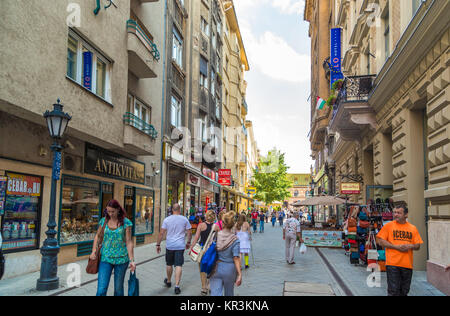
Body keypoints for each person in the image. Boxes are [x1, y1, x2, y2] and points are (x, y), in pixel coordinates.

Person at [376, 203, 423, 296]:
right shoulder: (388, 226)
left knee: (404, 292)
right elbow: (380, 241)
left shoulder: (412, 228)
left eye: (398, 213)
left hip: (407, 265)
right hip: (392, 264)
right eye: (394, 212)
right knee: (393, 292)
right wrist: (396, 247)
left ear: (406, 214)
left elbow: (418, 245)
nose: (395, 215)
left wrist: (410, 246)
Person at [91, 200, 135, 296]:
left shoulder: (126, 223)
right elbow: (97, 236)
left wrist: (132, 260)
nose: (110, 214)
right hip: (105, 258)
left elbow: (129, 241)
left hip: (121, 259)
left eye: (112, 211)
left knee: (118, 290)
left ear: (118, 210)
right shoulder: (103, 221)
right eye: (108, 211)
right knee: (101, 290)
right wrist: (94, 250)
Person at [156, 203, 192, 295]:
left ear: (172, 210)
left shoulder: (167, 220)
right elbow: (189, 232)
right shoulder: (184, 219)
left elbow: (161, 233)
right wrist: (188, 242)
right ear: (179, 210)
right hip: (180, 246)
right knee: (178, 265)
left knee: (169, 264)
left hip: (170, 245)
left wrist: (158, 244)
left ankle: (168, 281)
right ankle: (177, 286)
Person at [210, 212, 242, 296]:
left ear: (223, 223)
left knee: (215, 293)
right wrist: (239, 274)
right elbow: (236, 258)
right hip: (230, 269)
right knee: (229, 293)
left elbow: (209, 249)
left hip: (215, 267)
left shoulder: (215, 236)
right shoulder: (235, 239)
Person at [190, 210, 219, 295]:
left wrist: (191, 247)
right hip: (212, 250)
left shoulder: (201, 225)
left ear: (206, 216)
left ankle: (204, 288)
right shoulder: (216, 227)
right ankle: (209, 284)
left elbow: (196, 237)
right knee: (211, 268)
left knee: (202, 269)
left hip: (202, 250)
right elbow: (219, 239)